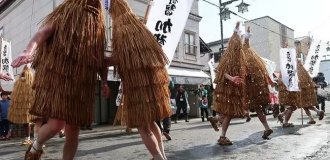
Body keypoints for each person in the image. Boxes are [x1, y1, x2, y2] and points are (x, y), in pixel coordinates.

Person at [11, 0, 109, 159]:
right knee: (56, 124)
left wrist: (104, 81)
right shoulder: (67, 12)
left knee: (73, 130)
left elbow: (100, 58)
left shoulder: (98, 26)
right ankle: (36, 146)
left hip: (82, 81)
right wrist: (27, 51)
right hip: (60, 77)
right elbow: (43, 32)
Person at [109, 0, 172, 159]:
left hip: (137, 86)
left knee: (143, 127)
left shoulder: (120, 31)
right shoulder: (141, 28)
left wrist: (99, 61)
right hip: (153, 82)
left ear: (113, 12)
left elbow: (118, 58)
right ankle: (162, 156)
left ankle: (158, 158)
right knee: (152, 122)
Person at [8, 65, 35, 145]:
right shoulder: (18, 83)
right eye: (22, 75)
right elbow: (14, 94)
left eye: (24, 75)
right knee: (26, 122)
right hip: (24, 107)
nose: (23, 76)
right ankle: (28, 138)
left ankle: (33, 139)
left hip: (29, 106)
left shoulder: (31, 83)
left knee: (30, 122)